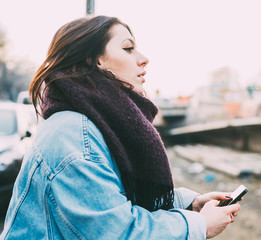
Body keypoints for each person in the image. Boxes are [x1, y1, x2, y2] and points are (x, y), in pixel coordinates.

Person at [0, 15, 241, 239]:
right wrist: (198, 225)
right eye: (128, 48)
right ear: (93, 60)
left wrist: (189, 203)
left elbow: (117, 197)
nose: (143, 58)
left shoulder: (100, 122)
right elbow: (117, 232)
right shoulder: (72, 134)